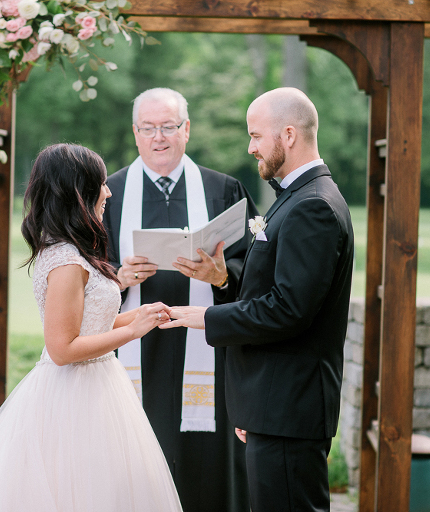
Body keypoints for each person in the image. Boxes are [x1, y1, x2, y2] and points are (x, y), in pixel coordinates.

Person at [0, 144, 182, 512]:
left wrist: (138, 316)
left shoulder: (78, 251)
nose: (108, 192)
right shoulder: (66, 261)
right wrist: (132, 332)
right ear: (79, 192)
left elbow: (89, 324)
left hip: (100, 386)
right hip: (72, 395)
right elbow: (63, 349)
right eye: (101, 184)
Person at [161, 87, 355, 512]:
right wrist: (224, 279)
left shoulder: (314, 206)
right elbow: (275, 291)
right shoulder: (297, 197)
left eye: (255, 136)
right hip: (273, 407)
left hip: (288, 408)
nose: (250, 148)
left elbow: (289, 310)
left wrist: (208, 317)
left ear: (288, 135)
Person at [103, 87, 257, 512]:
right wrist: (118, 277)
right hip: (135, 348)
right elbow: (84, 274)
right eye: (148, 128)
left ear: (186, 129)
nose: (159, 137)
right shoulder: (109, 194)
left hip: (207, 347)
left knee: (205, 469)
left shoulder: (222, 190)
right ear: (135, 132)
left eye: (168, 126)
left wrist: (221, 276)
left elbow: (256, 270)